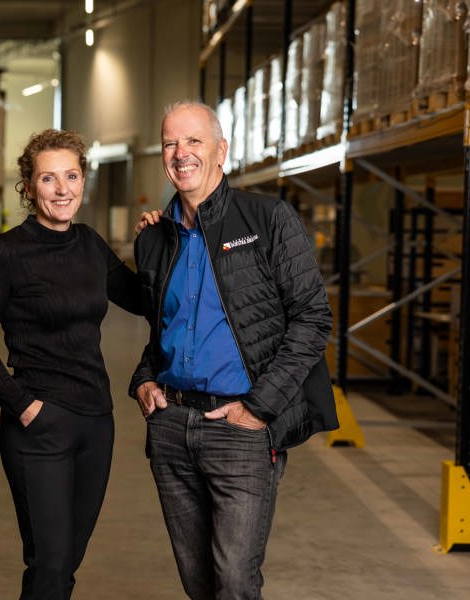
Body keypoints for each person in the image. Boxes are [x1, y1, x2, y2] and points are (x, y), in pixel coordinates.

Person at [130, 101, 338, 600]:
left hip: (239, 427)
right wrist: (143, 378)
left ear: (221, 150)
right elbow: (162, 326)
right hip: (173, 427)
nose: (181, 154)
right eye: (171, 144)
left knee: (236, 582)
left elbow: (313, 318)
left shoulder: (267, 219)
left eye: (194, 141)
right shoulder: (155, 239)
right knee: (198, 582)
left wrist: (261, 407)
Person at [0, 129, 144, 599]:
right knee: (49, 563)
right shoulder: (6, 253)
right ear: (28, 186)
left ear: (83, 180)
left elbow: (146, 300)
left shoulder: (89, 244)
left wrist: (160, 240)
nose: (62, 189)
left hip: (96, 424)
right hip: (38, 426)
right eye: (48, 178)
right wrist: (22, 405)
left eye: (71, 176)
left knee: (65, 566)